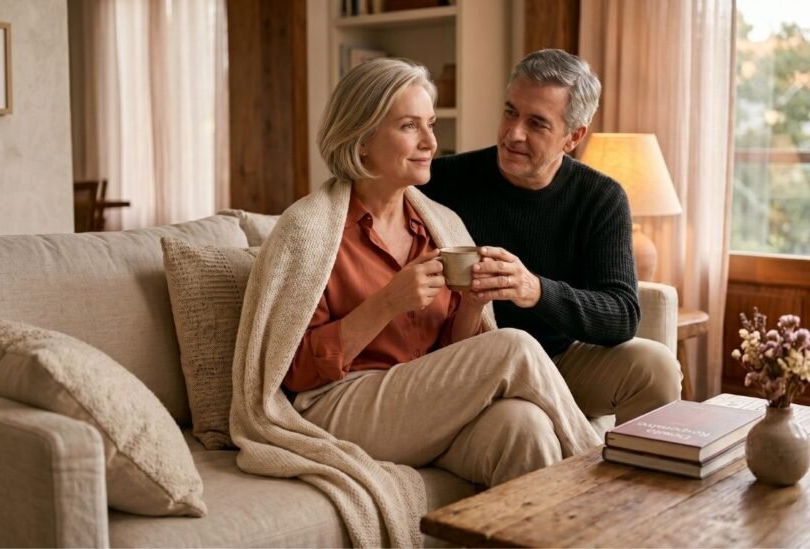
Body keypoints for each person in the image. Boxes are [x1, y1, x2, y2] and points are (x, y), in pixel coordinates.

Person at [230, 57, 602, 547]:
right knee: (514, 345)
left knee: (524, 426)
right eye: (410, 126)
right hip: (339, 403)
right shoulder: (310, 230)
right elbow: (292, 373)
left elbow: (451, 353)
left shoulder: (438, 225)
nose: (430, 142)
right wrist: (387, 303)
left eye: (430, 125)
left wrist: (470, 305)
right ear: (361, 137)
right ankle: (603, 485)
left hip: (420, 405)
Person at [422, 49, 682, 425]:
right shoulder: (444, 180)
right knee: (519, 420)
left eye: (537, 123)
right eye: (510, 111)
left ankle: (633, 481)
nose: (513, 134)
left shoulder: (600, 198)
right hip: (470, 363)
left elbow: (623, 315)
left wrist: (535, 290)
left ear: (573, 136)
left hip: (561, 361)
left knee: (656, 367)